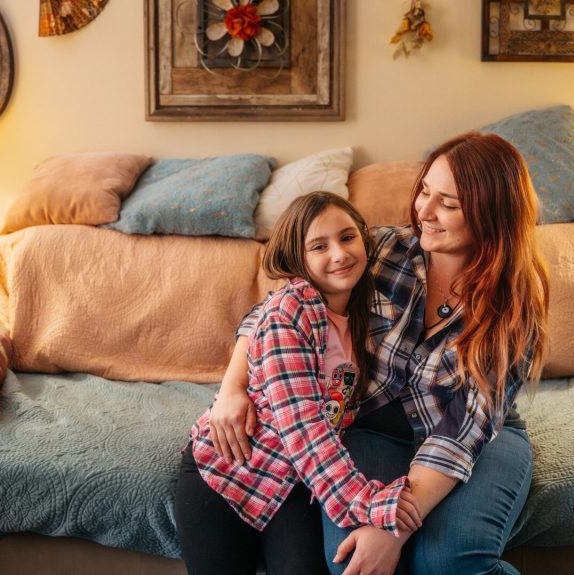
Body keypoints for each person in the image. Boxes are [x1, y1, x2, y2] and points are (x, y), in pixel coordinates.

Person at [210, 133, 550, 575]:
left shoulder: (515, 304)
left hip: (477, 435)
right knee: (352, 563)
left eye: (448, 203)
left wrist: (392, 529)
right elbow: (275, 310)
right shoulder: (382, 251)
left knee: (447, 562)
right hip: (368, 429)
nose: (424, 211)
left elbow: (462, 430)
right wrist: (231, 388)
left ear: (492, 214)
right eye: (425, 190)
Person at [175, 191, 424, 575]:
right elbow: (305, 430)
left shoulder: (364, 310)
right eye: (319, 246)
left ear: (364, 238)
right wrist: (367, 501)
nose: (339, 254)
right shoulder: (289, 312)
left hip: (294, 488)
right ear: (298, 259)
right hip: (227, 472)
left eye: (347, 237)